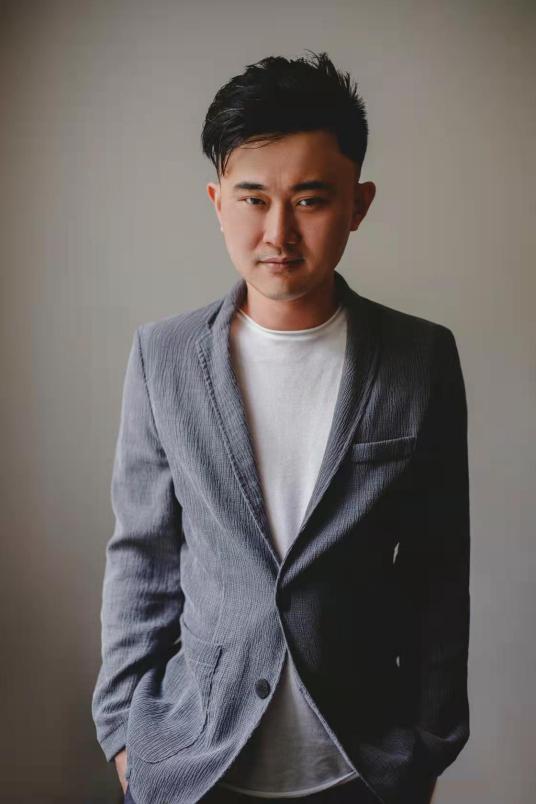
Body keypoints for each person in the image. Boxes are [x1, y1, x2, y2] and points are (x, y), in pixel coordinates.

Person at [91, 51, 470, 804]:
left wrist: (427, 747)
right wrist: (125, 737)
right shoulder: (163, 356)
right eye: (253, 198)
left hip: (361, 762)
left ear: (358, 204)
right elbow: (143, 554)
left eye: (310, 200)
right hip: (195, 760)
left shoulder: (419, 358)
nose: (278, 231)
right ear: (217, 200)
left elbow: (438, 570)